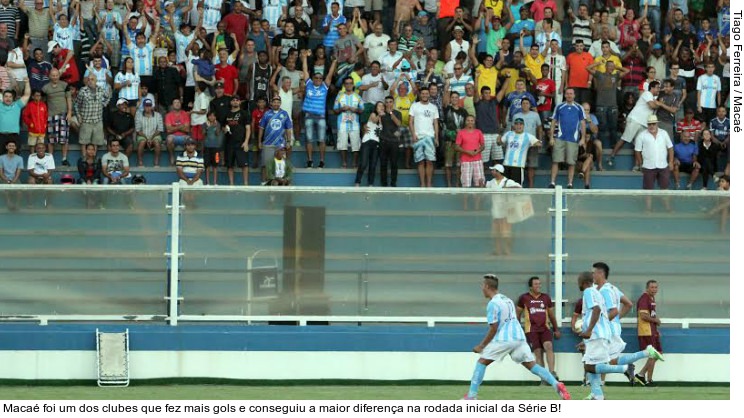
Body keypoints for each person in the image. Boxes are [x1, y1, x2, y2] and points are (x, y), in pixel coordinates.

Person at [463, 274, 571, 400]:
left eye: (482, 286)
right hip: (519, 338)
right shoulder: (507, 300)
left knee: (482, 362)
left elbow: (494, 328)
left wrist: (482, 345)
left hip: (505, 339)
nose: (482, 288)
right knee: (532, 365)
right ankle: (557, 385)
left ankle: (471, 396)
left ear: (487, 286)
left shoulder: (493, 304)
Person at [593, 262, 664, 391]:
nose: (592, 275)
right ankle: (599, 388)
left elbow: (613, 310)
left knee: (599, 359)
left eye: (594, 273)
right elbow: (628, 304)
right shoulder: (613, 288)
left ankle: (601, 385)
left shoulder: (604, 291)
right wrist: (616, 320)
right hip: (614, 328)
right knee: (607, 359)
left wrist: (601, 324)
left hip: (607, 329)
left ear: (600, 274)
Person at [576, 271, 634, 401]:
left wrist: (589, 330)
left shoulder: (588, 292)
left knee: (589, 366)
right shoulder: (598, 292)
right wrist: (585, 339)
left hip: (596, 335)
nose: (578, 284)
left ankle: (624, 368)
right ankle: (598, 396)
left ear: (584, 283)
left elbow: (596, 310)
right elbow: (602, 314)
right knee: (591, 364)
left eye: (578, 282)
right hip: (600, 334)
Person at [608, 81, 661, 171]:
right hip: (635, 120)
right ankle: (612, 156)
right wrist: (660, 104)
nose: (659, 89)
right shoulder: (647, 93)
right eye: (657, 87)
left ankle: (636, 166)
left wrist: (658, 103)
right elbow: (652, 105)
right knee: (625, 139)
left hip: (643, 123)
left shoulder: (653, 97)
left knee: (639, 145)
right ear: (652, 88)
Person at [516, 276, 560, 381]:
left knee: (548, 346)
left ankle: (552, 372)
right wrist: (518, 330)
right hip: (531, 330)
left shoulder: (545, 298)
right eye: (536, 284)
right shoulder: (524, 298)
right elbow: (517, 315)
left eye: (539, 284)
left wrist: (556, 329)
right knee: (538, 352)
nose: (538, 286)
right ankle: (544, 378)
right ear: (531, 286)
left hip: (545, 328)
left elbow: (551, 315)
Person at [548, 88, 585, 189]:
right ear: (565, 95)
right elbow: (553, 122)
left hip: (573, 139)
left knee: (571, 162)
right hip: (559, 137)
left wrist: (583, 139)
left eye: (571, 94)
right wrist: (551, 137)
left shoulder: (579, 107)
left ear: (574, 95)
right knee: (556, 160)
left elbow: (582, 123)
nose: (569, 95)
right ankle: (552, 182)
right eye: (567, 94)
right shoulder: (559, 107)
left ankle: (570, 183)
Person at [485, 164, 520, 256]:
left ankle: (507, 250)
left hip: (505, 212)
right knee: (495, 233)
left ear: (498, 172)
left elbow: (519, 187)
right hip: (495, 212)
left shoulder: (508, 182)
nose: (492, 172)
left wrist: (507, 189)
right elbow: (483, 188)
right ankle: (497, 250)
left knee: (506, 233)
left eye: (494, 170)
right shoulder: (491, 182)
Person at [258, 96, 293, 182]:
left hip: (280, 144)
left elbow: (288, 129)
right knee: (265, 165)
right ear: (271, 103)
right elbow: (261, 128)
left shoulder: (284, 114)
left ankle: (281, 182)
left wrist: (288, 141)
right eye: (274, 102)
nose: (276, 103)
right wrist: (259, 141)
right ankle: (264, 183)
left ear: (280, 103)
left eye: (278, 102)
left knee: (281, 164)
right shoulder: (266, 114)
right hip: (268, 143)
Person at [409, 88, 439, 188]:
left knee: (430, 161)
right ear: (420, 95)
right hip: (418, 137)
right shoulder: (414, 105)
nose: (425, 95)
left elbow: (435, 123)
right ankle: (422, 184)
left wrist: (436, 137)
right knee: (420, 161)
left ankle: (429, 184)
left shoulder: (433, 107)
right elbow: (410, 122)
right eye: (423, 93)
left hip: (430, 136)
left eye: (426, 93)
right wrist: (413, 134)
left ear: (429, 94)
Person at [636, 114, 673, 192]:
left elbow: (670, 148)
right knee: (648, 192)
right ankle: (648, 205)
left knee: (665, 190)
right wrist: (641, 164)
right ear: (647, 125)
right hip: (648, 167)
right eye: (650, 124)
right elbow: (637, 151)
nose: (651, 126)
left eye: (653, 124)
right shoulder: (641, 135)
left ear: (657, 124)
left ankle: (667, 205)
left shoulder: (664, 133)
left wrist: (671, 162)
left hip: (663, 165)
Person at [75, 74, 111, 154]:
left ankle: (93, 159)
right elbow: (77, 105)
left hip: (97, 120)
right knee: (84, 142)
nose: (90, 81)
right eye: (89, 79)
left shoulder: (101, 89)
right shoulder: (83, 90)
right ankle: (84, 160)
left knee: (96, 142)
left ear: (96, 80)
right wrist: (79, 116)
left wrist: (103, 105)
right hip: (86, 120)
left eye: (92, 79)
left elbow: (108, 97)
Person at [635, 279, 663, 386]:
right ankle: (648, 380)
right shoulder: (644, 298)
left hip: (652, 331)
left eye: (656, 287)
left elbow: (651, 315)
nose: (654, 289)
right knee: (653, 355)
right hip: (646, 331)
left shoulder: (652, 298)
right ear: (647, 288)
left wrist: (656, 330)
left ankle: (641, 375)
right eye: (652, 287)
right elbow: (643, 316)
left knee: (657, 354)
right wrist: (656, 321)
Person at [334, 76, 364, 168]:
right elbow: (335, 110)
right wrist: (342, 109)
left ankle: (354, 163)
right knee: (342, 144)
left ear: (353, 84)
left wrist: (355, 109)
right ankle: (344, 163)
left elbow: (362, 110)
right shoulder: (339, 96)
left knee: (356, 144)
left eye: (350, 83)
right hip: (342, 124)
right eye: (346, 83)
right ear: (344, 85)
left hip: (355, 124)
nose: (349, 85)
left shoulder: (358, 96)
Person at [501, 117, 540, 187]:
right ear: (514, 126)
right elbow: (500, 142)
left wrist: (536, 144)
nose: (519, 126)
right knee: (504, 187)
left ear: (523, 125)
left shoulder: (528, 136)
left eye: (521, 124)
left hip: (518, 166)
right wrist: (498, 139)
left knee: (516, 187)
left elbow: (538, 143)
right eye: (516, 124)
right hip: (506, 164)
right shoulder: (509, 134)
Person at [223, 96, 251, 186]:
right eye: (233, 100)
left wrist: (246, 142)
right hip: (229, 143)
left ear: (240, 102)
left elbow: (248, 128)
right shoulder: (226, 114)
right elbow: (223, 128)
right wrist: (225, 130)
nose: (235, 102)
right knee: (230, 165)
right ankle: (231, 184)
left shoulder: (244, 113)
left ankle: (246, 184)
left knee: (244, 165)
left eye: (237, 100)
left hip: (241, 143)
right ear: (231, 102)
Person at [354, 101, 382, 187]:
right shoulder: (373, 114)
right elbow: (374, 120)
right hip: (367, 141)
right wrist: (380, 114)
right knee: (363, 163)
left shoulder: (381, 118)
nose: (381, 107)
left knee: (373, 165)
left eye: (382, 106)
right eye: (379, 106)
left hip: (376, 143)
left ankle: (370, 183)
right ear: (376, 108)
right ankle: (357, 182)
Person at [0, 78, 31, 155]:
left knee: (15, 157)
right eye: (6, 96)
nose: (8, 98)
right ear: (2, 98)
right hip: (1, 136)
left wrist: (27, 83)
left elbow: (27, 95)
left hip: (14, 136)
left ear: (13, 98)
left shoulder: (17, 105)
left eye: (10, 97)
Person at [454, 115, 484, 188]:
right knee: (466, 185)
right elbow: (456, 147)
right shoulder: (461, 132)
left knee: (480, 184)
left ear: (474, 122)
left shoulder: (478, 132)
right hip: (465, 161)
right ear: (465, 122)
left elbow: (483, 146)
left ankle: (478, 200)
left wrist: (477, 151)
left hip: (477, 160)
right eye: (468, 120)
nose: (470, 122)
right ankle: (465, 200)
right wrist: (467, 152)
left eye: (472, 120)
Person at [379, 95, 402, 187]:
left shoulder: (397, 113)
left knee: (394, 164)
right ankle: (383, 184)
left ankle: (393, 183)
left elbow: (399, 123)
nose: (388, 104)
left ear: (393, 103)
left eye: (390, 102)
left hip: (394, 142)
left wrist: (391, 113)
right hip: (383, 141)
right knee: (383, 164)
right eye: (387, 102)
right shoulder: (381, 113)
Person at [134, 99, 164, 167]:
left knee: (156, 141)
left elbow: (159, 130)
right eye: (146, 106)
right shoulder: (138, 115)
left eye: (149, 106)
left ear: (152, 106)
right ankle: (140, 162)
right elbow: (138, 130)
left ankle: (156, 163)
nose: (148, 108)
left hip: (155, 135)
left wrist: (151, 138)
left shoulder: (158, 115)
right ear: (143, 107)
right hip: (142, 135)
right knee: (142, 142)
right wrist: (147, 139)